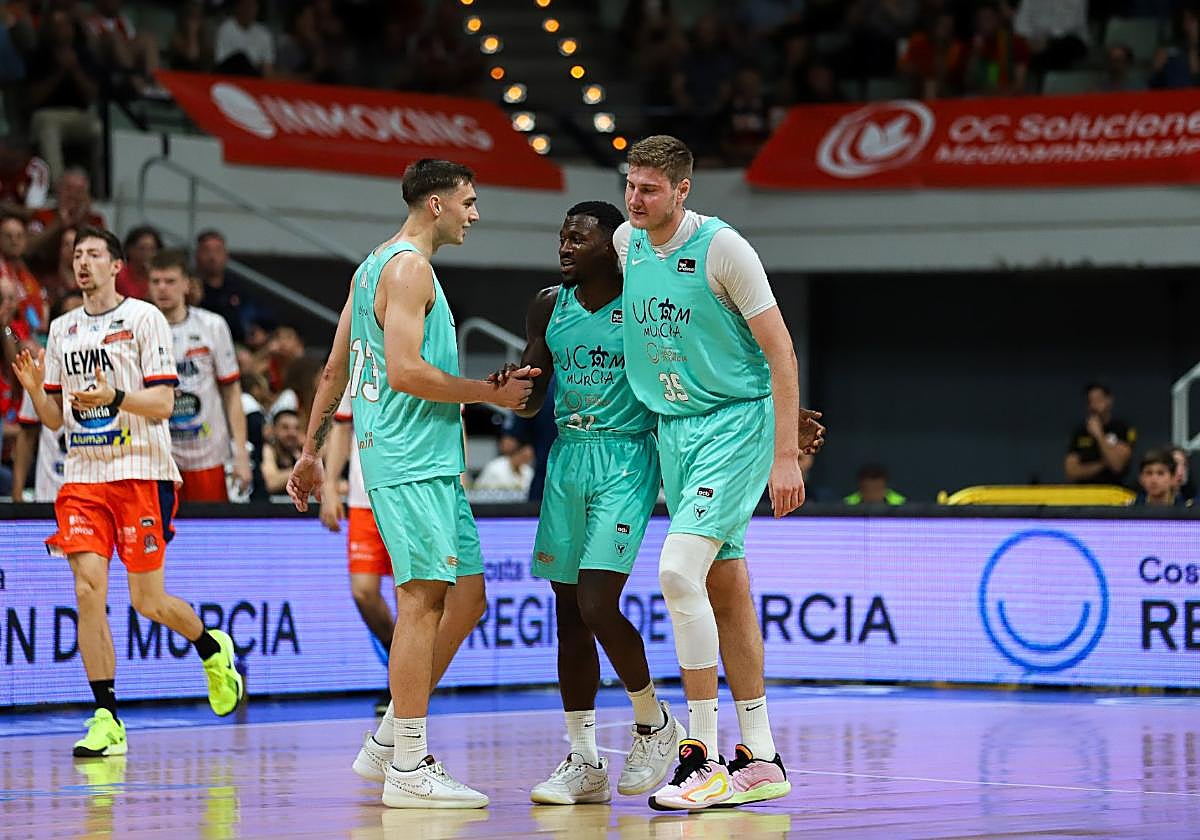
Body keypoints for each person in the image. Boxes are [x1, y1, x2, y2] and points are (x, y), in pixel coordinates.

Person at [284, 158, 536, 809]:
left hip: (430, 465)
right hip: (407, 458)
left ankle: (389, 737)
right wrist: (489, 394)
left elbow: (334, 367)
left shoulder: (372, 266)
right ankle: (409, 764)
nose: (474, 214)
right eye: (469, 202)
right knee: (422, 601)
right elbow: (402, 369)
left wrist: (311, 452)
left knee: (469, 597)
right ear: (436, 206)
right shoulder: (408, 268)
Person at [616, 135, 823, 811]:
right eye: (630, 184)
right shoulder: (627, 244)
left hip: (734, 425)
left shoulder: (725, 249)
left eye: (649, 188)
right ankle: (760, 756)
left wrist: (784, 451)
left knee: (677, 572)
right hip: (675, 432)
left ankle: (699, 756)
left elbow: (781, 351)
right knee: (726, 585)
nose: (635, 198)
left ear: (683, 191)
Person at [9, 225, 244, 758]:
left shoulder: (144, 318)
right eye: (77, 255)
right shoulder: (63, 328)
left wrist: (114, 395)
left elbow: (162, 404)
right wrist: (33, 389)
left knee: (147, 601)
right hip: (84, 477)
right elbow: (53, 420)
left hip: (142, 472)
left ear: (117, 266)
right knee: (88, 590)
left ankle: (211, 647)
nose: (83, 262)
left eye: (94, 254)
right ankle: (107, 717)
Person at [494, 201, 685, 806]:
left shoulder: (644, 304)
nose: (566, 246)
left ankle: (655, 724)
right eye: (562, 237)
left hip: (627, 458)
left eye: (579, 237)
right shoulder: (548, 305)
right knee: (569, 615)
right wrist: (514, 392)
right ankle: (584, 759)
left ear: (612, 244)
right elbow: (533, 395)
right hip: (567, 461)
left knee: (600, 603)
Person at [148, 249, 251, 502]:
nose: (162, 288)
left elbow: (232, 392)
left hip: (208, 456)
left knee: (208, 538)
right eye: (156, 281)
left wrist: (240, 454)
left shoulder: (213, 326)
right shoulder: (139, 330)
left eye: (170, 281)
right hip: (159, 458)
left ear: (186, 284)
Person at [321, 388, 395, 713]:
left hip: (409, 494)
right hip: (364, 498)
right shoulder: (359, 356)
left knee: (409, 596)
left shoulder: (427, 348)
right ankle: (401, 657)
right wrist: (329, 486)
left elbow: (454, 425)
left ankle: (399, 688)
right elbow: (341, 425)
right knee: (363, 593)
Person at [13, 290, 83, 500]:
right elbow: (27, 435)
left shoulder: (106, 367)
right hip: (49, 493)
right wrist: (17, 493)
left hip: (91, 488)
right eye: (68, 317)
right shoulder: (38, 370)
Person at [1065, 382, 1136, 486]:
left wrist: (1099, 435)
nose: (1094, 405)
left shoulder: (1122, 429)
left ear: (1109, 400)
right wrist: (1103, 464)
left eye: (1098, 400)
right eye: (1090, 401)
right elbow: (1071, 472)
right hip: (1084, 492)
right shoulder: (1079, 432)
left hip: (1113, 490)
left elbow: (1117, 465)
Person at [261, 407, 302, 493]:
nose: (292, 433)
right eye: (285, 427)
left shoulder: (301, 452)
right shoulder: (268, 450)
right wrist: (303, 470)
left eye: (296, 428)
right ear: (274, 430)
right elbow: (271, 483)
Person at [115, 224, 161, 300]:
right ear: (129, 249)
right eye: (142, 249)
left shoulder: (159, 276)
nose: (147, 254)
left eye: (152, 249)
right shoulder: (119, 275)